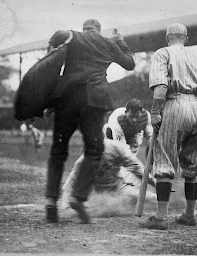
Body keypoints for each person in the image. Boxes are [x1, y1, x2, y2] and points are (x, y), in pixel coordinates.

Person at [45, 19, 135, 224]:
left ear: (84, 29)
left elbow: (56, 41)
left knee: (58, 150)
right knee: (95, 150)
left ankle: (51, 201)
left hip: (67, 99)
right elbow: (129, 63)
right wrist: (120, 41)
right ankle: (78, 196)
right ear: (98, 30)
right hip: (94, 101)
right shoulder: (108, 43)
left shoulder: (72, 37)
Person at [140, 23, 197, 230]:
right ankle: (189, 215)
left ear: (167, 38)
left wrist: (156, 113)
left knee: (165, 161)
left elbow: (161, 87)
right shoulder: (196, 58)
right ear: (186, 38)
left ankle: (160, 217)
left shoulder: (162, 53)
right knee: (192, 165)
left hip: (174, 104)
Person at [61, 126, 156, 210]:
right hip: (99, 194)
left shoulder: (116, 148)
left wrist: (155, 183)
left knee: (148, 198)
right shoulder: (85, 158)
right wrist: (65, 205)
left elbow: (137, 168)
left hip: (119, 188)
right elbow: (71, 181)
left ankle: (164, 200)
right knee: (95, 207)